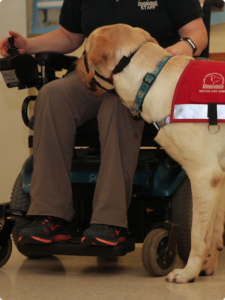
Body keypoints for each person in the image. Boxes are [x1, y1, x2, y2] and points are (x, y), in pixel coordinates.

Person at [0, 0, 208, 246]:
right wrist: (29, 45)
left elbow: (197, 32)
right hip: (94, 73)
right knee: (52, 96)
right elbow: (70, 36)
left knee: (119, 105)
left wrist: (184, 47)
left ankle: (109, 222)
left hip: (145, 78)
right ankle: (51, 215)